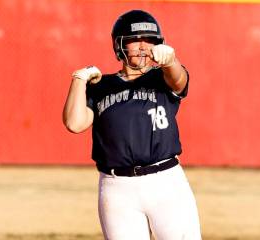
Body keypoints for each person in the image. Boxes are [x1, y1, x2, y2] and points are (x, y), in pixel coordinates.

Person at [63, 9, 201, 240]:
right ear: (120, 47)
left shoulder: (161, 78)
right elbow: (74, 123)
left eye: (149, 41)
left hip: (165, 182)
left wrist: (172, 61)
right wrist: (80, 80)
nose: (143, 46)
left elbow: (179, 80)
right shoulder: (101, 86)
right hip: (117, 187)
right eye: (134, 41)